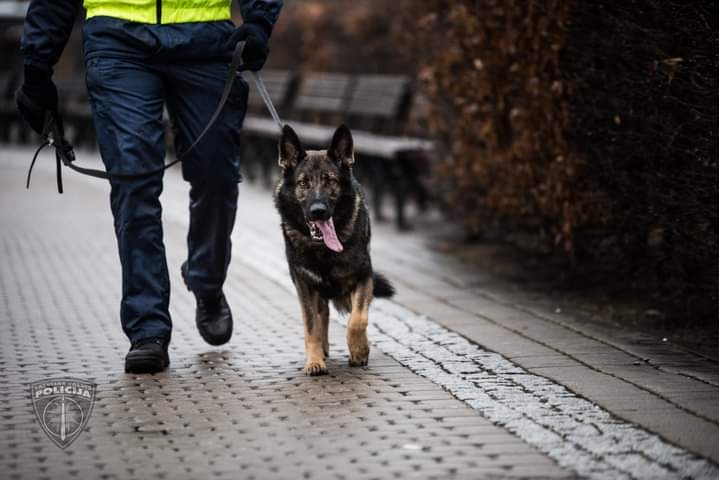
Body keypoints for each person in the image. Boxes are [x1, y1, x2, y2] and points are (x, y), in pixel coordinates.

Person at [16, 0, 283, 373]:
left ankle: (206, 278)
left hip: (205, 39)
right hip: (117, 40)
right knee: (133, 182)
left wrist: (259, 20)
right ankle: (148, 328)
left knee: (216, 176)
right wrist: (37, 64)